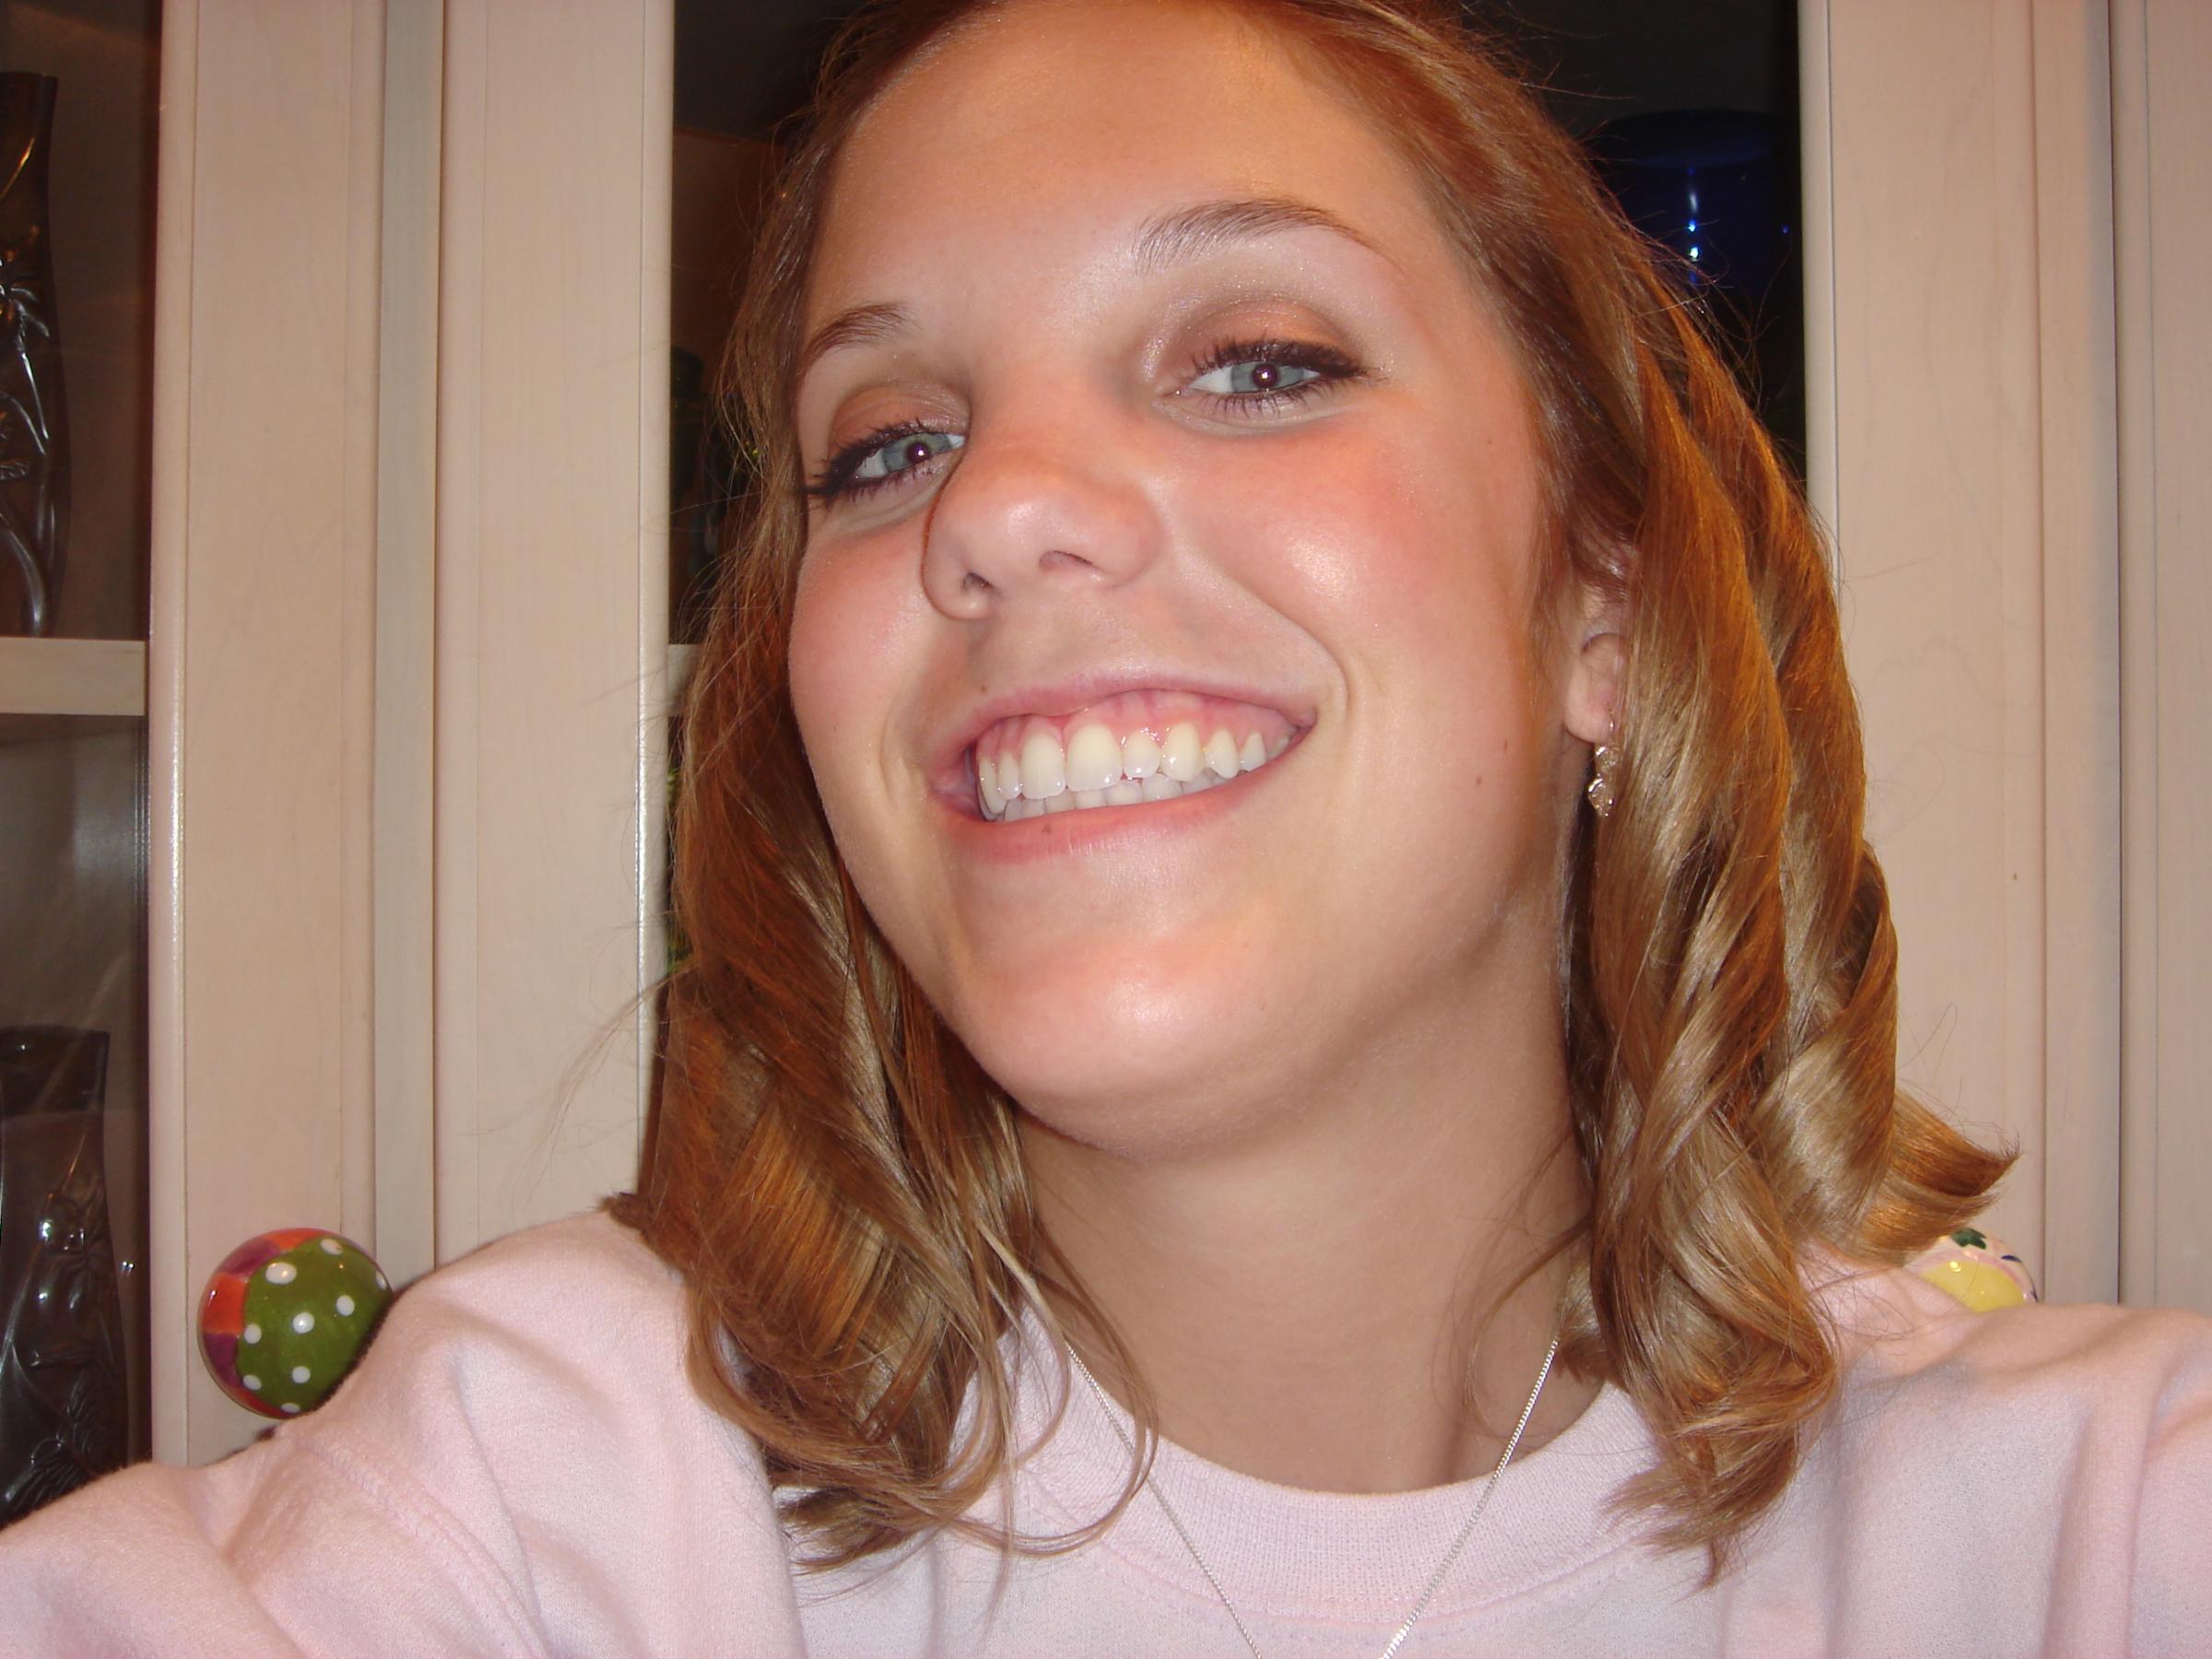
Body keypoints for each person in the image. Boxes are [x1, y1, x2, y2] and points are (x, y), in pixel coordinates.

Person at [3, 0, 2206, 1652]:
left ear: (1602, 607)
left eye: (1258, 358)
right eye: (885, 443)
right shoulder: (548, 1484)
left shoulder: (2093, 1534)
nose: (998, 507)